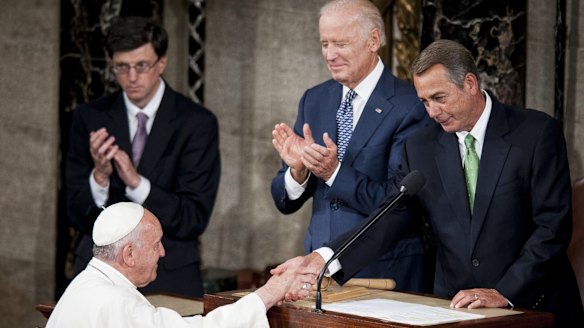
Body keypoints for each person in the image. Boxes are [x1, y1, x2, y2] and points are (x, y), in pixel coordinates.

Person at [273, 39, 584, 326]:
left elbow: (551, 228)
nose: (432, 112)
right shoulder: (420, 146)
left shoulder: (536, 133)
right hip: (457, 310)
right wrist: (324, 259)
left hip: (534, 306)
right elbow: (393, 214)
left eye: (439, 98)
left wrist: (504, 292)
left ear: (470, 84)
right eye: (423, 101)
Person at [270, 0, 431, 292]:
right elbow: (284, 200)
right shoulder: (314, 99)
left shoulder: (411, 106)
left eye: (340, 44)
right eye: (324, 44)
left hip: (384, 272)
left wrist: (333, 173)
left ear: (374, 40)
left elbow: (399, 203)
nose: (330, 55)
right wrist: (297, 172)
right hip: (317, 274)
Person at [65, 16, 220, 298]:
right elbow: (75, 213)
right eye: (122, 67)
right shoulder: (89, 117)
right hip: (98, 279)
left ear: (162, 63)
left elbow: (193, 217)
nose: (132, 77)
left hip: (169, 275)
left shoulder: (197, 123)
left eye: (141, 66)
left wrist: (137, 184)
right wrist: (99, 177)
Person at [47, 202, 312, 328]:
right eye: (155, 245)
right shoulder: (114, 300)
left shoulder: (85, 284)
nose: (162, 253)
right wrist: (270, 292)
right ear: (128, 254)